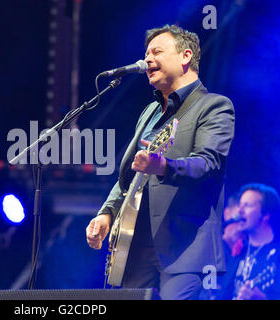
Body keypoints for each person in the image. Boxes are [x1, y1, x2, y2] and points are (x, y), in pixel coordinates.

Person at [85, 24, 235, 300]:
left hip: (184, 246)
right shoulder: (150, 112)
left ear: (185, 56)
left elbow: (208, 164)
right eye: (146, 53)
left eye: (157, 51)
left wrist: (163, 166)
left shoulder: (214, 106)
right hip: (135, 245)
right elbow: (130, 175)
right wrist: (107, 213)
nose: (147, 59)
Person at [218, 183, 280, 300]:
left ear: (266, 214)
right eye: (240, 205)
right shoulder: (240, 249)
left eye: (247, 205)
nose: (240, 211)